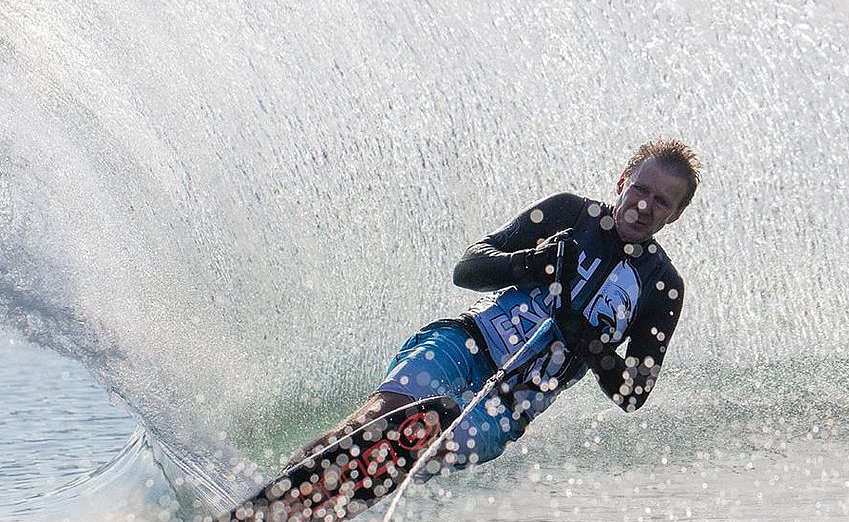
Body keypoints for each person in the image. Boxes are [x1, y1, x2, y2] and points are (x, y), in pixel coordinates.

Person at [288, 139, 699, 471]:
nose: (645, 205)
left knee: (428, 442)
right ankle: (280, 489)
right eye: (641, 189)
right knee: (387, 413)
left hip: (511, 404)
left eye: (662, 201)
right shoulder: (569, 212)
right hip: (468, 344)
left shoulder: (663, 288)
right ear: (622, 181)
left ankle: (316, 514)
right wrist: (529, 263)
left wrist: (589, 343)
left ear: (676, 215)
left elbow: (634, 394)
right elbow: (468, 268)